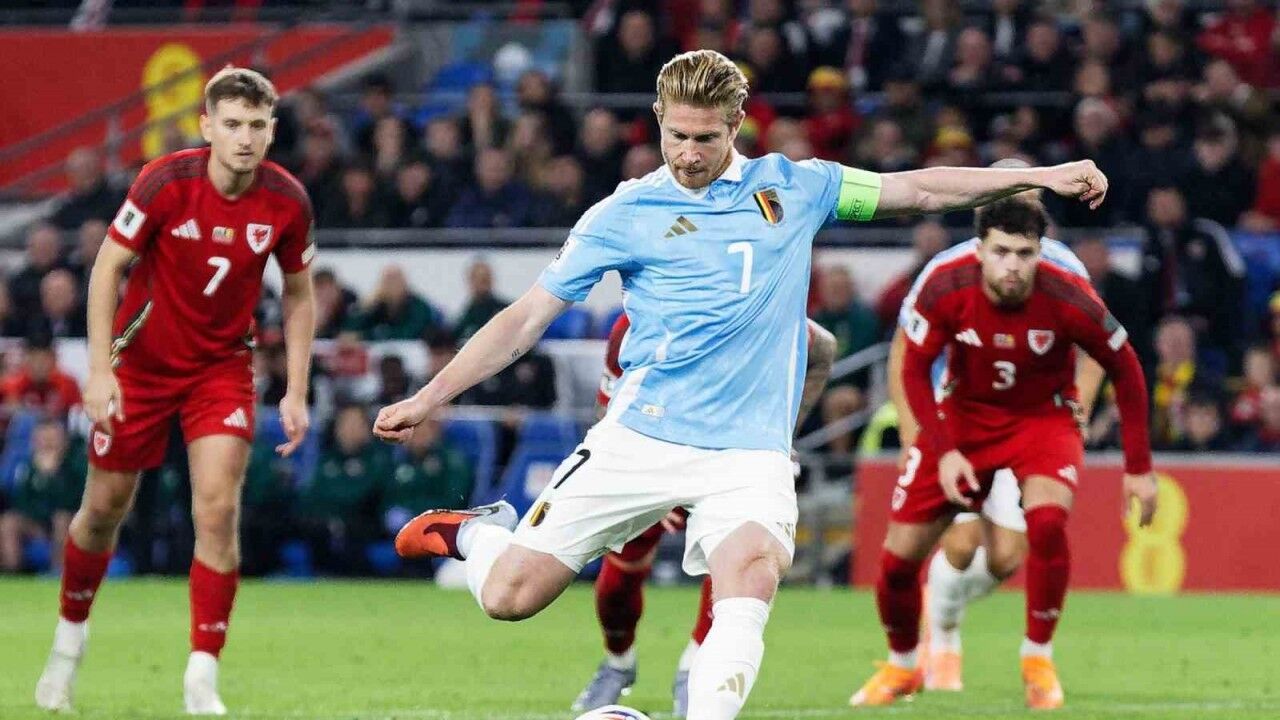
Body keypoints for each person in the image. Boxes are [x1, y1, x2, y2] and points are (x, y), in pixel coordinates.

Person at [374, 49, 1112, 720]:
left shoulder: (797, 187)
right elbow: (526, 318)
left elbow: (917, 189)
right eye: (677, 136)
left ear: (736, 125)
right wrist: (428, 398)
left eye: (707, 137)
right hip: (641, 435)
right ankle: (475, 531)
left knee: (750, 578)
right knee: (510, 597)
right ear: (657, 120)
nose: (690, 154)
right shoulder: (624, 212)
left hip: (747, 454)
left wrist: (1039, 176)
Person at [34, 67, 316, 716]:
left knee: (216, 510)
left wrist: (296, 388)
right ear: (207, 127)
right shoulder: (165, 181)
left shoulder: (287, 200)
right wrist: (100, 368)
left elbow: (299, 294)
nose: (245, 138)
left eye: (257, 126)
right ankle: (68, 642)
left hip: (220, 370)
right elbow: (108, 266)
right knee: (103, 509)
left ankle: (201, 675)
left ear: (272, 131)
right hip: (141, 367)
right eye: (233, 124)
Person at [850, 197, 1156, 711]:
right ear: (980, 248)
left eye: (1024, 253)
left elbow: (1123, 365)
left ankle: (1038, 660)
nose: (1012, 265)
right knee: (898, 561)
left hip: (1042, 419)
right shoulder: (945, 280)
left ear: (1040, 249)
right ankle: (903, 664)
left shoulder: (1067, 288)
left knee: (1044, 527)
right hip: (963, 418)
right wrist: (937, 447)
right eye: (1001, 252)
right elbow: (911, 365)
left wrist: (1139, 468)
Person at [883, 195, 1104, 693]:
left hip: (1030, 421)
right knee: (961, 543)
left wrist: (1078, 408)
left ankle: (943, 609)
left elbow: (1094, 346)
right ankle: (942, 643)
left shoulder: (1064, 267)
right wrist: (915, 434)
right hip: (957, 418)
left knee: (1006, 557)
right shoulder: (946, 269)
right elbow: (904, 352)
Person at [572, 311, 836, 716]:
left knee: (734, 567)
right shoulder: (636, 322)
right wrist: (648, 480)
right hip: (652, 459)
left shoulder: (756, 312)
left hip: (731, 461)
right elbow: (606, 414)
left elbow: (823, 348)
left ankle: (692, 669)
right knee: (617, 584)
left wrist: (782, 435)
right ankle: (618, 663)